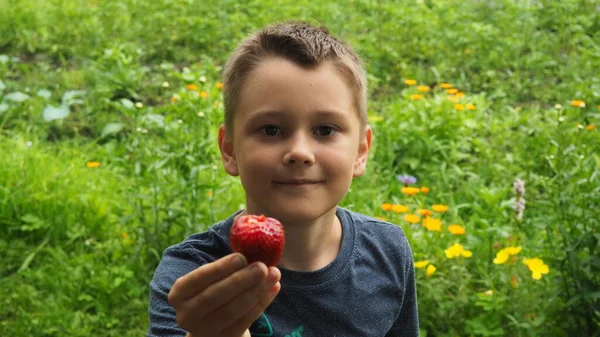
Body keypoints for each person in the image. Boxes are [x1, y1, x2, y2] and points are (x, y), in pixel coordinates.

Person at [147, 21, 419, 337]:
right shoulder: (194, 279)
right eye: (271, 130)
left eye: (325, 130)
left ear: (361, 150)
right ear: (230, 150)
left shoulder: (388, 252)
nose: (300, 152)